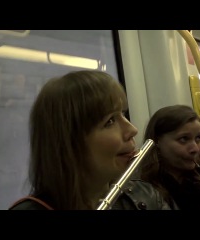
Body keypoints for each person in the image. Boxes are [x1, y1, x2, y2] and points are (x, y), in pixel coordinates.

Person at [9, 70, 171, 210]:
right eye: (110, 121)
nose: (132, 130)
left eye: (123, 114)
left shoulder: (145, 196)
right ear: (69, 143)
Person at [139, 104, 200, 210]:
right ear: (157, 141)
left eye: (198, 138)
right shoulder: (142, 192)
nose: (195, 149)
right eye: (184, 139)